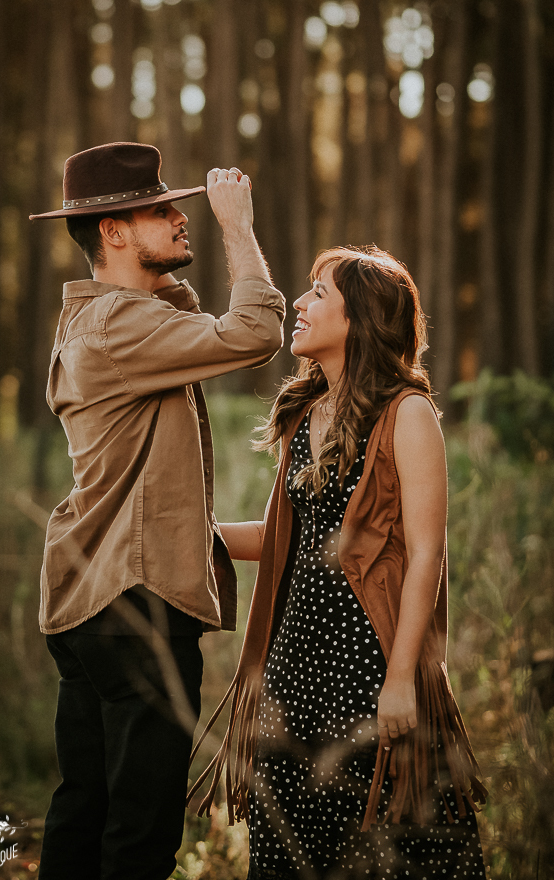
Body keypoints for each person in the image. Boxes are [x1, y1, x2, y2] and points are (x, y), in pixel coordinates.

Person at [28, 141, 285, 880]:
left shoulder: (104, 319)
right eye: (161, 209)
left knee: (88, 811)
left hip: (91, 598)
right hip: (134, 601)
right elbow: (256, 334)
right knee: (138, 833)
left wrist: (167, 270)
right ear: (112, 230)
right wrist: (238, 226)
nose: (182, 219)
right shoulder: (120, 326)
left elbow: (193, 323)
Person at [189, 246, 488, 879]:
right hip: (293, 672)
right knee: (294, 853)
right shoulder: (304, 414)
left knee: (395, 851)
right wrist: (192, 538)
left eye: (317, 293)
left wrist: (402, 676)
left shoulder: (408, 414)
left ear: (361, 318)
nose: (298, 304)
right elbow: (289, 537)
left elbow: (426, 550)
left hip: (369, 666)